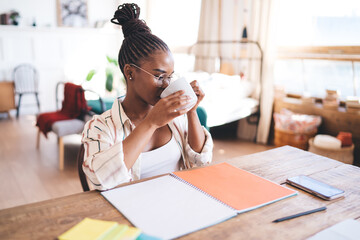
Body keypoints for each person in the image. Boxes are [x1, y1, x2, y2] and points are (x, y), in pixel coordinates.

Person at [81, 3, 213, 190]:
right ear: (130, 72)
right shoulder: (100, 127)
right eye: (159, 77)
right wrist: (150, 123)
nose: (167, 84)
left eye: (170, 76)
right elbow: (99, 180)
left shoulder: (175, 118)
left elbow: (201, 163)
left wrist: (191, 112)